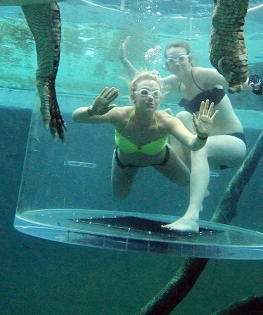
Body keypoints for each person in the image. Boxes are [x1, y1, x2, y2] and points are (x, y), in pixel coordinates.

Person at [119, 38, 247, 232]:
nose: (176, 63)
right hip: (204, 148)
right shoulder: (175, 82)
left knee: (201, 146)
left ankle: (192, 217)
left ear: (189, 59)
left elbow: (237, 80)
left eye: (181, 58)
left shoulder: (201, 75)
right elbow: (142, 84)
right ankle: (198, 190)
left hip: (233, 144)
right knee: (182, 116)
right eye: (171, 60)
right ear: (166, 64)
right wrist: (123, 60)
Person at [72, 72, 217, 217]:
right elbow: (76, 117)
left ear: (159, 99)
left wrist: (202, 135)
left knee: (188, 182)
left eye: (155, 93)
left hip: (163, 158)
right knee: (120, 196)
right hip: (125, 161)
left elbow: (193, 144)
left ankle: (172, 146)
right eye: (144, 92)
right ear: (132, 97)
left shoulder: (167, 121)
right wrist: (91, 110)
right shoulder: (120, 115)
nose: (150, 97)